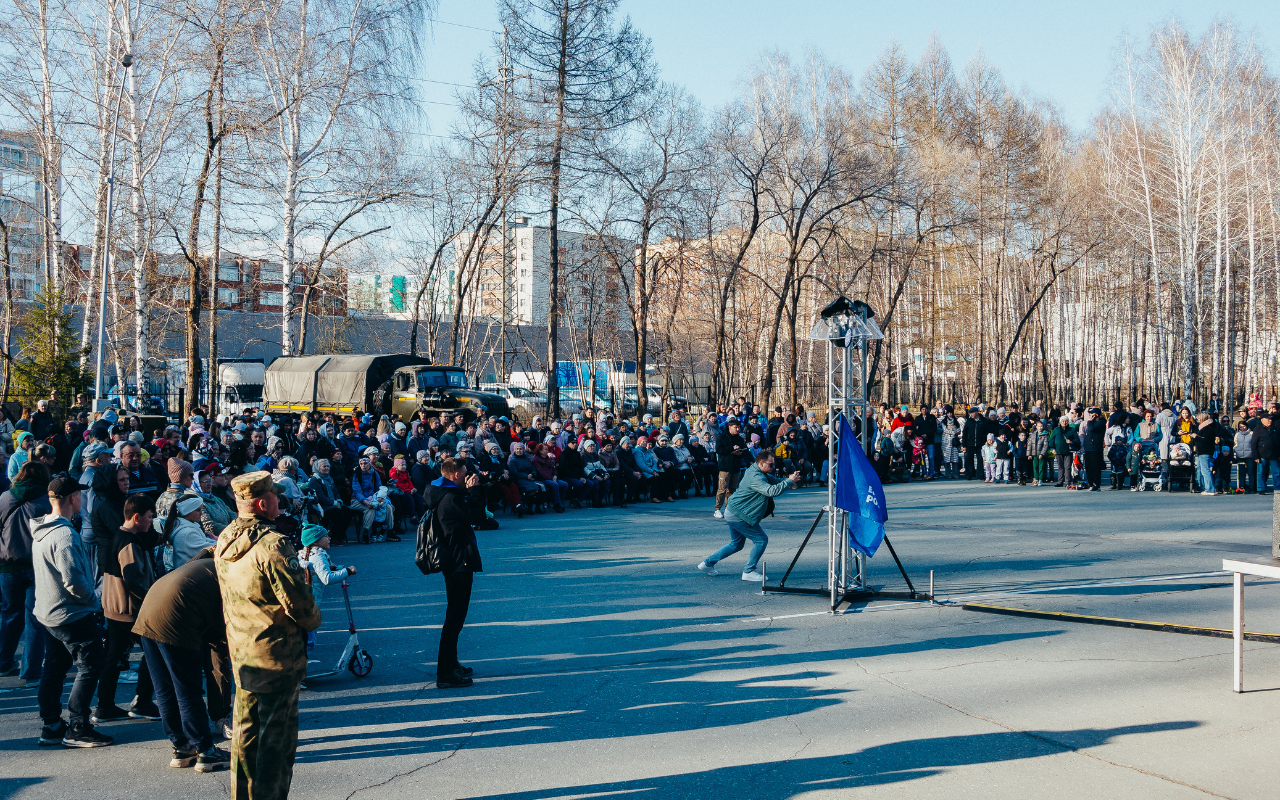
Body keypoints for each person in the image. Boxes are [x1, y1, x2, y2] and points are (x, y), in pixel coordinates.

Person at [215, 471, 320, 800]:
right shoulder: (273, 545)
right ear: (262, 503)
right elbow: (301, 608)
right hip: (277, 656)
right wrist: (314, 617)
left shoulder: (226, 536)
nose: (280, 499)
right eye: (275, 495)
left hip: (243, 653)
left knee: (246, 736)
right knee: (276, 740)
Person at [33, 474, 114, 747]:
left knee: (54, 668)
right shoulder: (65, 534)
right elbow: (74, 581)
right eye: (79, 495)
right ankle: (79, 726)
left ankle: (52, 725)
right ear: (73, 498)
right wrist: (94, 598)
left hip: (48, 612)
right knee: (91, 665)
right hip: (70, 613)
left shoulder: (41, 529)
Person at [133, 549, 231, 772]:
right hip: (176, 618)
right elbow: (228, 619)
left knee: (164, 687)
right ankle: (205, 750)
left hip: (149, 612)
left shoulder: (204, 562)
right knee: (187, 689)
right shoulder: (232, 573)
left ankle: (181, 746)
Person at [418, 457, 484, 689]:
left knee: (455, 617)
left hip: (454, 560)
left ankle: (451, 662)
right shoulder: (451, 497)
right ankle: (445, 672)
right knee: (454, 618)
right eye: (464, 473)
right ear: (455, 474)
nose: (467, 476)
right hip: (458, 562)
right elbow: (478, 517)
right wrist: (474, 491)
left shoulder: (441, 492)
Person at [697, 451, 801, 582]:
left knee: (736, 544)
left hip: (734, 511)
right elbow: (771, 491)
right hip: (739, 515)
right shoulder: (755, 476)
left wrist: (789, 480)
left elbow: (775, 482)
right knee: (761, 540)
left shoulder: (760, 471)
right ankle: (749, 571)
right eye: (770, 464)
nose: (773, 467)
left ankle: (707, 564)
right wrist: (789, 482)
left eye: (773, 464)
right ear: (761, 463)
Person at [0, 461, 51, 688]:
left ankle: (4, 661)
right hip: (34, 564)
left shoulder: (4, 498)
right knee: (34, 618)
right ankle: (31, 672)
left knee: (10, 615)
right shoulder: (46, 501)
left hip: (7, 564)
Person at [298, 524, 356, 679]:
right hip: (311, 604)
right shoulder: (319, 556)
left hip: (302, 601)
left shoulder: (305, 554)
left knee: (303, 639)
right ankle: (298, 675)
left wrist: (330, 567)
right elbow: (327, 578)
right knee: (309, 641)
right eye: (326, 536)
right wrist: (347, 572)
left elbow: (314, 569)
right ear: (316, 541)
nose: (329, 538)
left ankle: (297, 671)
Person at [713, 419, 748, 519]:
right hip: (725, 466)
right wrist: (732, 449)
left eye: (738, 427)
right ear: (729, 427)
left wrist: (741, 453)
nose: (737, 429)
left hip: (735, 466)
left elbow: (744, 450)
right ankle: (717, 509)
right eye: (735, 427)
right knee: (722, 489)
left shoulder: (740, 439)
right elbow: (719, 450)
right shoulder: (722, 437)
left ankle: (729, 509)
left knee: (732, 489)